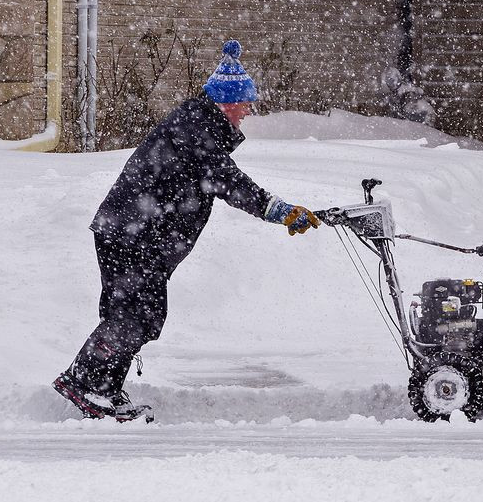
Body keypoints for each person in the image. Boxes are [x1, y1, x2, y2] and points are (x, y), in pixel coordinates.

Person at [53, 40, 321, 422]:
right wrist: (275, 209)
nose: (248, 112)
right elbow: (229, 182)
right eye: (246, 104)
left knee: (131, 313)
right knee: (138, 315)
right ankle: (85, 384)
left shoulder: (197, 123)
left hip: (130, 232)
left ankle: (103, 389)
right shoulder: (198, 130)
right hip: (133, 234)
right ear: (228, 103)